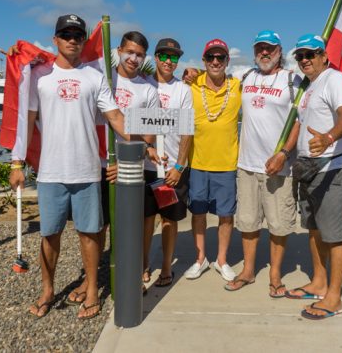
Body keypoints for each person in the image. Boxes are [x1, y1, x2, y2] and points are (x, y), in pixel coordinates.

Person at [9, 14, 132, 320]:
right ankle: (47, 290)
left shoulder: (94, 77)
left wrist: (145, 145)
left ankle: (91, 290)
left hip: (88, 170)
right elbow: (27, 122)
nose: (73, 40)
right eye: (66, 34)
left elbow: (115, 117)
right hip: (51, 172)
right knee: (49, 235)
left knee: (89, 234)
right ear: (55, 40)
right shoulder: (39, 76)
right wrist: (16, 162)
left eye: (78, 35)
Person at [68, 30, 160, 303]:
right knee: (96, 227)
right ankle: (90, 278)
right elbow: (64, 64)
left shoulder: (148, 89)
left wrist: (126, 163)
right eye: (129, 51)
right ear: (119, 50)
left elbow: (148, 138)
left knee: (128, 226)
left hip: (131, 168)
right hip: (97, 163)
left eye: (140, 54)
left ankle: (131, 275)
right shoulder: (101, 77)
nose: (133, 58)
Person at [284, 34, 342, 320]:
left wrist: (328, 138)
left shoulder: (335, 80)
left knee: (336, 235)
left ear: (324, 56)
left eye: (310, 54)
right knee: (314, 229)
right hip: (310, 169)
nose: (305, 60)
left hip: (334, 169)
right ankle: (319, 282)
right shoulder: (310, 86)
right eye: (300, 56)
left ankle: (334, 297)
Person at [223, 31, 301, 298]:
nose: (264, 53)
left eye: (269, 48)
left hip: (278, 167)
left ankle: (275, 274)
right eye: (260, 49)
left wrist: (284, 153)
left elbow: (299, 121)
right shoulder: (247, 77)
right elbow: (219, 83)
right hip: (246, 165)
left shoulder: (292, 80)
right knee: (247, 221)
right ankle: (248, 271)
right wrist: (193, 74)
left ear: (280, 50)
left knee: (279, 225)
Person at [183, 39, 241, 282]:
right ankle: (200, 259)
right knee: (198, 214)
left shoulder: (238, 85)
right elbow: (166, 85)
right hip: (197, 163)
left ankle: (222, 260)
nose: (215, 62)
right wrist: (185, 73)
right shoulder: (191, 84)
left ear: (227, 61)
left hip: (226, 164)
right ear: (204, 61)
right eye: (210, 58)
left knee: (226, 216)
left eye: (220, 58)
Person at [143, 38, 193, 287]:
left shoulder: (183, 90)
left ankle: (165, 268)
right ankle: (143, 265)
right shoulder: (143, 85)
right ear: (155, 57)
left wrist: (179, 166)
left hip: (172, 169)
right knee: (146, 220)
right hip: (146, 168)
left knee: (169, 221)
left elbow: (187, 133)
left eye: (173, 57)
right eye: (163, 56)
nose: (168, 62)